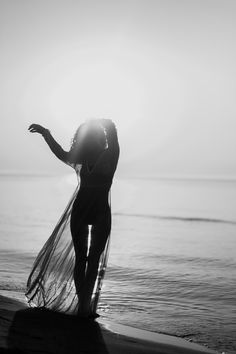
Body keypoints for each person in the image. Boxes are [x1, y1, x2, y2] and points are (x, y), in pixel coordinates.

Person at [25, 119, 119, 318]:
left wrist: (106, 123)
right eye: (88, 135)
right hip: (80, 210)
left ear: (101, 137)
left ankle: (86, 304)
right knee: (81, 258)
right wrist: (46, 133)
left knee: (94, 260)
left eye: (95, 135)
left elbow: (113, 135)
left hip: (101, 211)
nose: (92, 138)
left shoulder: (111, 155)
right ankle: (83, 304)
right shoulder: (80, 160)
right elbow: (59, 152)